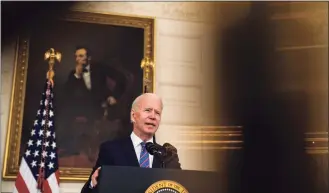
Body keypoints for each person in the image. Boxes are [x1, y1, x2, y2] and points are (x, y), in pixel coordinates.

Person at [80, 93, 181, 193]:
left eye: (157, 113)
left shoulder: (167, 156)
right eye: (148, 110)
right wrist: (93, 184)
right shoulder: (111, 150)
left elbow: (181, 187)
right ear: (133, 116)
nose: (153, 116)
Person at [58, 46, 127, 157]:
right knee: (65, 112)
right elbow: (67, 94)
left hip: (103, 104)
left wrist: (114, 96)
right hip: (85, 106)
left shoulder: (100, 68)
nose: (77, 59)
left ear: (88, 58)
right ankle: (68, 147)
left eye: (81, 56)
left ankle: (103, 150)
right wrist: (77, 76)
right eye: (76, 56)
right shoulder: (73, 74)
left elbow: (121, 78)